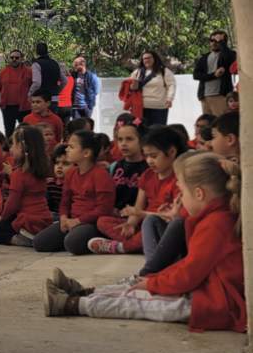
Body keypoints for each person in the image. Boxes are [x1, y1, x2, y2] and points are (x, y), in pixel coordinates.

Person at [43, 153, 245, 334]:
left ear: (199, 194)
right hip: (209, 293)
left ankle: (69, 304)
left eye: (182, 192)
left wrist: (153, 283)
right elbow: (187, 258)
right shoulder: (216, 216)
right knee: (140, 291)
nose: (180, 199)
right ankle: (84, 293)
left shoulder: (215, 225)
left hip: (214, 303)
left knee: (138, 302)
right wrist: (154, 279)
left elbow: (188, 274)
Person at [89, 126, 185, 254]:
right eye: (147, 156)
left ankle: (122, 247)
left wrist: (142, 214)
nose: (149, 161)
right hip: (144, 222)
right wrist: (131, 224)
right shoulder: (147, 175)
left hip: (163, 224)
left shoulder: (179, 178)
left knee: (151, 225)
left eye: (154, 156)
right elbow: (139, 205)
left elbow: (174, 217)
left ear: (172, 152)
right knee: (103, 221)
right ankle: (140, 244)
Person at [32, 131, 114, 255]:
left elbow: (104, 209)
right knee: (39, 243)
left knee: (72, 244)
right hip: (72, 220)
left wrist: (78, 221)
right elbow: (65, 201)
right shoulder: (71, 173)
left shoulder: (101, 175)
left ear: (86, 153)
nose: (67, 150)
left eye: (71, 147)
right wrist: (64, 217)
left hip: (93, 223)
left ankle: (95, 240)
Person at [0, 125, 53, 247]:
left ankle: (23, 239)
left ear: (20, 147)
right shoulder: (41, 169)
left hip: (27, 219)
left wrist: (3, 218)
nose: (10, 149)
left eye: (13, 145)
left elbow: (12, 203)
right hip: (44, 217)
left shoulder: (19, 173)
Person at [193, 30, 237, 116]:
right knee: (207, 126)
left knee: (221, 125)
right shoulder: (204, 58)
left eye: (217, 40)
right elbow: (196, 75)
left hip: (221, 96)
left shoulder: (228, 54)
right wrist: (214, 75)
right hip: (205, 97)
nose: (214, 43)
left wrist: (222, 42)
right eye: (211, 40)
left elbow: (230, 59)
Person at [128, 51, 176, 127]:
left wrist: (170, 98)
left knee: (158, 131)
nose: (147, 60)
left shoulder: (164, 71)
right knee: (143, 131)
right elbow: (129, 85)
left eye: (149, 58)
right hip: (141, 107)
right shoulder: (137, 72)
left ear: (155, 58)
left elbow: (171, 85)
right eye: (144, 59)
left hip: (159, 107)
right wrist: (131, 87)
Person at [0, 50, 33, 138]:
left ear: (21, 59)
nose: (14, 59)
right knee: (9, 132)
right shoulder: (3, 72)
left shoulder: (28, 72)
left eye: (16, 58)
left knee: (26, 132)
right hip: (8, 107)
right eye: (12, 57)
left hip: (24, 107)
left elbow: (32, 87)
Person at [28, 42, 67, 114]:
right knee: (51, 122)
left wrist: (30, 94)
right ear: (48, 52)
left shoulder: (36, 64)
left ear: (36, 53)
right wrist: (56, 90)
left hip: (41, 99)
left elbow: (37, 82)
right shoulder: (55, 63)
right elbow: (64, 81)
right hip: (54, 98)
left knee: (41, 124)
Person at [46, 144, 73, 217]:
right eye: (57, 163)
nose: (59, 166)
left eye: (65, 163)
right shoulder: (51, 185)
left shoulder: (77, 186)